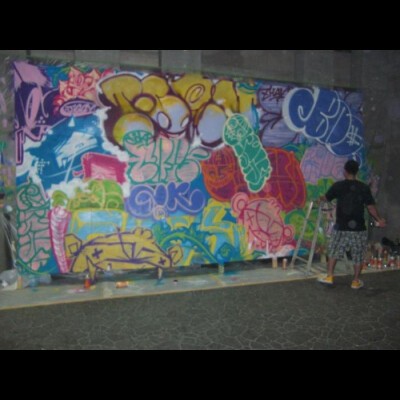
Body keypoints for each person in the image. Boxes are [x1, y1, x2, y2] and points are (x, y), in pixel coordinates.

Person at [317, 160, 386, 289]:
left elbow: (326, 198)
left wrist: (320, 198)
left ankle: (329, 277)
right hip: (358, 228)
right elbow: (370, 207)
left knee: (334, 252)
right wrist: (379, 219)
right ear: (356, 172)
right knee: (358, 255)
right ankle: (355, 281)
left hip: (341, 227)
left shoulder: (338, 186)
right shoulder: (363, 188)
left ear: (345, 171)